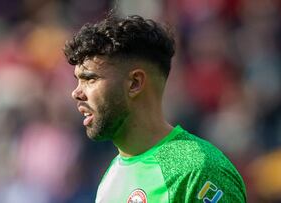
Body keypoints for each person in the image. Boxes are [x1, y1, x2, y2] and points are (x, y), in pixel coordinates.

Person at [64, 14, 246, 203]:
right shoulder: (111, 176)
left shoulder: (198, 170)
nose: (76, 93)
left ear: (135, 83)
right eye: (78, 80)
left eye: (90, 79)